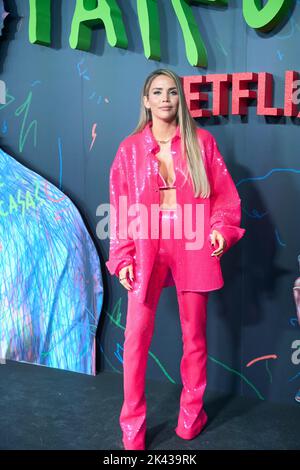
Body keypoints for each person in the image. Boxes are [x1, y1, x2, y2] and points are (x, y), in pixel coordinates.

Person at [106, 69, 245, 450]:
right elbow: (120, 207)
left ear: (179, 99)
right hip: (147, 239)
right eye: (157, 92)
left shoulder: (202, 142)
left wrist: (220, 228)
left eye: (171, 92)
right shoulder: (129, 149)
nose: (165, 98)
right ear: (146, 100)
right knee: (135, 338)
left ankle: (190, 416)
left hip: (192, 239)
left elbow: (225, 197)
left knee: (194, 336)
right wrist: (122, 255)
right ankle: (132, 429)